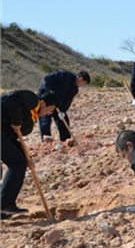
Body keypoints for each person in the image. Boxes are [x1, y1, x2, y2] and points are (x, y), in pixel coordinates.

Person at [1, 89, 58, 218]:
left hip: (4, 135)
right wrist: (17, 122)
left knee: (21, 161)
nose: (48, 114)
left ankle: (5, 204)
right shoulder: (32, 100)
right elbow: (12, 99)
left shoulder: (31, 115)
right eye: (50, 109)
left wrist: (26, 155)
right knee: (17, 163)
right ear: (43, 103)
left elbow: (12, 136)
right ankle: (4, 204)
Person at [38, 70, 90, 146]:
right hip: (46, 98)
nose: (82, 85)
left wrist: (63, 111)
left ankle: (66, 140)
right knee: (45, 117)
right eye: (84, 83)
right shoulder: (65, 75)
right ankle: (46, 139)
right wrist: (48, 92)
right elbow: (48, 78)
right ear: (81, 78)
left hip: (57, 103)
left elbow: (68, 101)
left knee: (63, 119)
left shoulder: (74, 89)